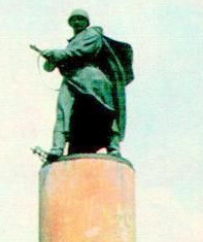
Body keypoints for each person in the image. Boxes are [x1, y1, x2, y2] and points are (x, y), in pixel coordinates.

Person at [40, 9, 133, 161]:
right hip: (71, 80)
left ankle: (113, 147)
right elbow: (51, 66)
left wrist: (58, 54)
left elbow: (79, 51)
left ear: (86, 22)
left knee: (105, 112)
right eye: (73, 20)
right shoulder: (71, 42)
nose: (76, 22)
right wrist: (50, 60)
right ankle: (57, 147)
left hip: (92, 78)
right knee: (63, 113)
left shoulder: (92, 34)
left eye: (80, 19)